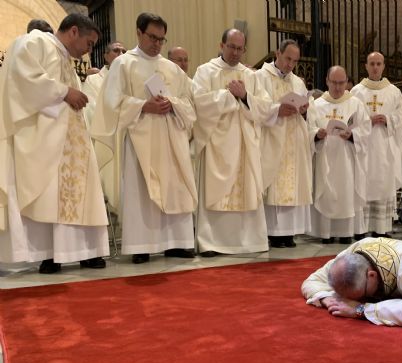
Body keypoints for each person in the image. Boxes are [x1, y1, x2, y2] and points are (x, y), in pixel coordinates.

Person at [0, 13, 108, 273]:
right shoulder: (35, 42)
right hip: (47, 140)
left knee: (80, 192)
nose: (88, 51)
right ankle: (50, 253)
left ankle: (84, 250)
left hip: (71, 141)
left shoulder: (63, 56)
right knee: (50, 195)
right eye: (89, 43)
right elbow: (22, 77)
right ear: (73, 32)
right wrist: (64, 92)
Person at [91, 12, 197, 264]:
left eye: (161, 39)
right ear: (138, 32)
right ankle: (142, 245)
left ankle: (177, 243)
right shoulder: (123, 64)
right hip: (141, 138)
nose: (157, 43)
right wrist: (142, 106)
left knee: (174, 188)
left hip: (171, 138)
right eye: (152, 37)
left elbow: (190, 104)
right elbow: (111, 102)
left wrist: (172, 104)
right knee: (141, 190)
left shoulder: (172, 69)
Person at [191, 28, 272, 255]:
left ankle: (249, 242)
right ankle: (211, 243)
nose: (236, 52)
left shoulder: (251, 76)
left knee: (247, 188)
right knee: (216, 191)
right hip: (217, 142)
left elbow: (265, 109)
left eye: (240, 48)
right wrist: (229, 96)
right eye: (232, 47)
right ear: (221, 45)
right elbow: (199, 102)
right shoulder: (205, 71)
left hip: (245, 144)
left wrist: (245, 96)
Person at [254, 39, 312, 248]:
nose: (290, 65)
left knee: (292, 182)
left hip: (293, 138)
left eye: (295, 61)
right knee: (274, 182)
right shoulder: (260, 77)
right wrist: (277, 109)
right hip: (272, 137)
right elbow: (257, 106)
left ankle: (289, 233)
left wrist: (305, 110)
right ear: (277, 53)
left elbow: (307, 105)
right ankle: (274, 233)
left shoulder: (297, 82)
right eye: (288, 58)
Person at [307, 65, 371, 244]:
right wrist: (316, 134)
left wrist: (352, 135)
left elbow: (365, 129)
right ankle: (325, 233)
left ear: (347, 82)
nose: (337, 87)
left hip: (347, 158)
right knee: (326, 190)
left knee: (346, 190)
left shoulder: (355, 103)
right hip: (325, 156)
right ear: (327, 81)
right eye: (334, 82)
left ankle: (345, 233)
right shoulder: (317, 104)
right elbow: (309, 128)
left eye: (341, 82)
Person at [351, 52, 402, 237]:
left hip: (384, 146)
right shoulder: (357, 91)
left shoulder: (393, 91)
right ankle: (362, 227)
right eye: (372, 63)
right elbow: (349, 117)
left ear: (384, 66)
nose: (375, 67)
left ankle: (381, 228)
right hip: (365, 147)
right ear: (366, 66)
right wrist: (368, 120)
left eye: (379, 64)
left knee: (383, 182)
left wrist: (388, 119)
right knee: (363, 182)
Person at [82, 40, 126, 210]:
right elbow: (90, 109)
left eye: (124, 51)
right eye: (116, 50)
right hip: (106, 139)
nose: (121, 54)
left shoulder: (129, 76)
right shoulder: (94, 80)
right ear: (106, 56)